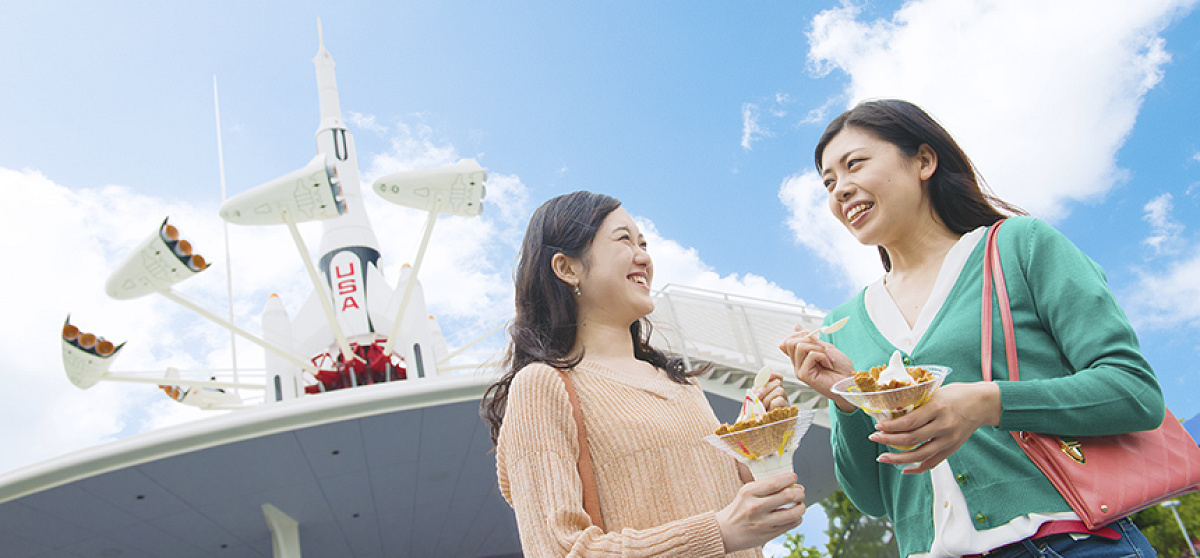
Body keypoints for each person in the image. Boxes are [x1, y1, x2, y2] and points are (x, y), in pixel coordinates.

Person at [779, 100, 1163, 557]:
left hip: (1068, 542)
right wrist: (846, 401)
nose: (840, 189)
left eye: (854, 164)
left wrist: (987, 402)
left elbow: (1135, 392)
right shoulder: (842, 326)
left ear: (924, 160)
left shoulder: (1020, 247)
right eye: (828, 182)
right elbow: (872, 498)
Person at [482, 191, 806, 557]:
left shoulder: (682, 384)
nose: (644, 256)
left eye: (644, 243)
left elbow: (732, 505)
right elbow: (558, 551)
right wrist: (719, 532)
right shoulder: (542, 385)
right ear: (567, 268)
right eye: (624, 240)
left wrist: (759, 441)